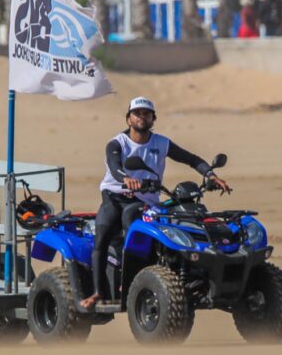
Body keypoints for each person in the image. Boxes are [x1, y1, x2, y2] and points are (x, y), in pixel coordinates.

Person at [80, 97, 230, 310]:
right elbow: (114, 167)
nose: (142, 117)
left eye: (147, 114)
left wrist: (210, 174)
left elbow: (191, 158)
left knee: (168, 229)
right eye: (137, 113)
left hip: (146, 201)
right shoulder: (117, 143)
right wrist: (125, 179)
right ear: (128, 118)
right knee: (104, 234)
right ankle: (97, 292)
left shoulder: (161, 143)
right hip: (116, 197)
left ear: (153, 119)